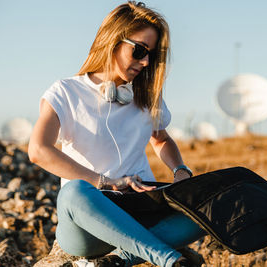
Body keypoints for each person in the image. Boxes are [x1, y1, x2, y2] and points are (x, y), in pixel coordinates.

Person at [28, 2, 205, 267]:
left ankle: (119, 261)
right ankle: (168, 258)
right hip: (89, 218)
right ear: (113, 40)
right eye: (140, 51)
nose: (145, 62)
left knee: (210, 204)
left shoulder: (146, 97)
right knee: (75, 191)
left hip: (142, 209)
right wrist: (106, 182)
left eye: (151, 55)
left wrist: (180, 171)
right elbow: (38, 151)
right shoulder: (65, 92)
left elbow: (162, 139)